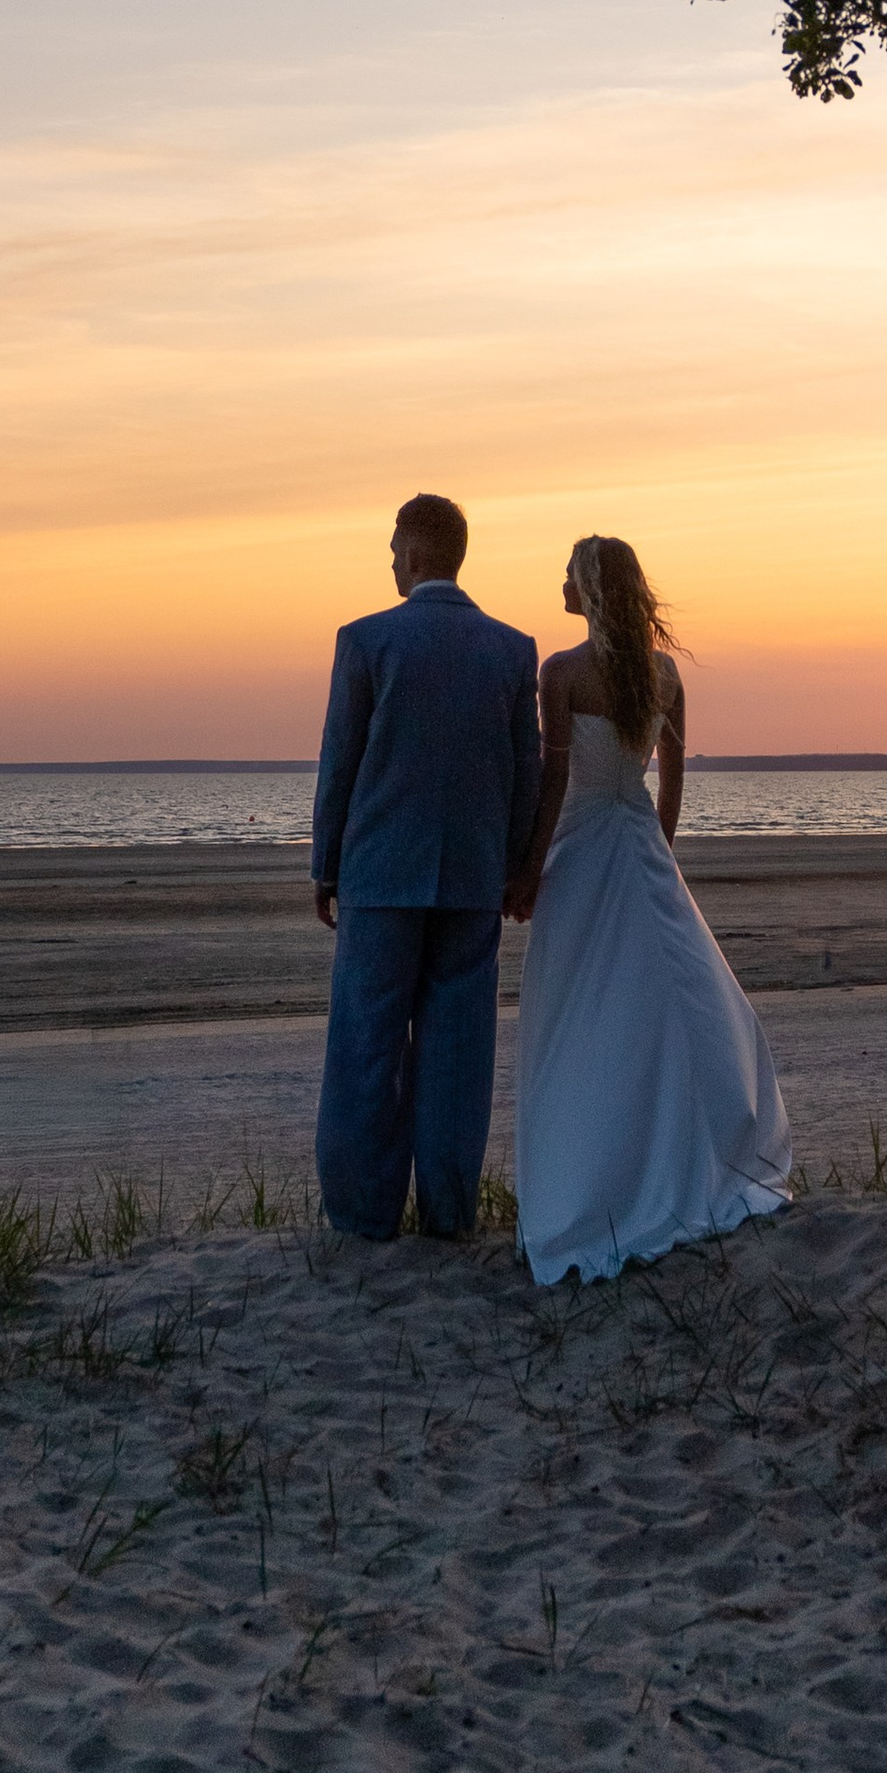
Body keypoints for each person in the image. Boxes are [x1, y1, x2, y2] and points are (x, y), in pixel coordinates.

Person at [507, 532, 792, 1280]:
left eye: (567, 575)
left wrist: (531, 871)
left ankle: (594, 1177)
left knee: (577, 1014)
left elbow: (551, 784)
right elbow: (669, 792)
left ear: (592, 588)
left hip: (579, 849)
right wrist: (655, 856)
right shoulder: (663, 676)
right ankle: (679, 1160)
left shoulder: (562, 672)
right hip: (638, 847)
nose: (559, 585)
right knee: (658, 1006)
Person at [310, 493, 541, 1239]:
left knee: (366, 1047)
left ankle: (363, 1215)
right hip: (473, 876)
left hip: (381, 874)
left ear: (415, 553)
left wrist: (326, 865)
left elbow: (339, 762)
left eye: (392, 546)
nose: (388, 559)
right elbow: (525, 770)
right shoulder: (511, 648)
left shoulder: (368, 639)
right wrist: (517, 863)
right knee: (457, 1053)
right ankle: (448, 1213)